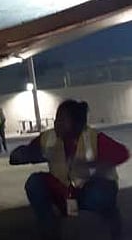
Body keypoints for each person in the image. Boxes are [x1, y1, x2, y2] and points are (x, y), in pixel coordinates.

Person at [10, 100, 128, 240]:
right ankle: (49, 226)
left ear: (76, 123)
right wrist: (22, 154)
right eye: (56, 118)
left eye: (62, 119)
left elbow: (122, 153)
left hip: (92, 189)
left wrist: (91, 164)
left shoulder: (93, 138)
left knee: (97, 194)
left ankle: (109, 215)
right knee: (34, 183)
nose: (56, 123)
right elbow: (31, 151)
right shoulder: (49, 137)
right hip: (65, 190)